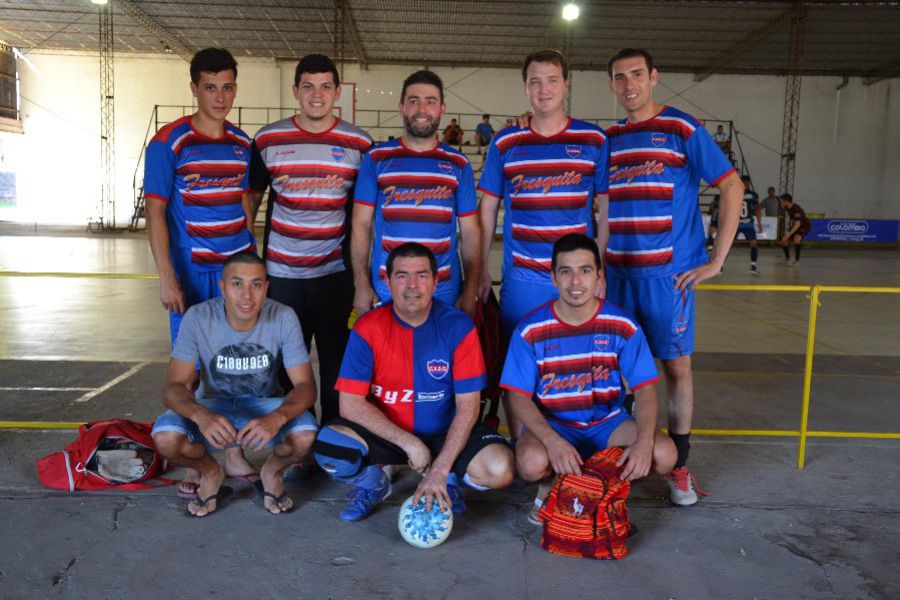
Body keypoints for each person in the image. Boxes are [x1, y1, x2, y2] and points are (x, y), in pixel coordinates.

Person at [601, 48, 744, 506]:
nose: (629, 85)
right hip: (617, 275)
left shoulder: (682, 128)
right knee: (616, 372)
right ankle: (621, 460)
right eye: (620, 77)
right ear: (612, 85)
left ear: (655, 77)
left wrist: (716, 260)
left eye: (637, 75)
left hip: (669, 278)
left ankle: (679, 465)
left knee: (675, 367)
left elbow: (732, 185)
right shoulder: (610, 139)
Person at [313, 243, 515, 521]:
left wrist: (440, 469)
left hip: (444, 432)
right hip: (389, 434)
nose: (412, 285)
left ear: (435, 281)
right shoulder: (368, 327)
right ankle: (374, 482)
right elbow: (350, 405)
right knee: (330, 447)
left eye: (421, 275)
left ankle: (449, 478)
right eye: (402, 275)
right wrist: (410, 444)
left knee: (500, 468)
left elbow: (468, 406)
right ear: (387, 281)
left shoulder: (458, 326)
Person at [478, 49, 610, 440]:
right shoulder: (506, 142)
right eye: (535, 81)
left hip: (578, 280)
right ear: (525, 88)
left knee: (574, 368)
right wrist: (481, 268)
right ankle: (524, 451)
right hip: (522, 279)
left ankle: (572, 446)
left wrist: (598, 269)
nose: (544, 88)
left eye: (552, 79)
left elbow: (607, 210)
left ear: (567, 84)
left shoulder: (593, 139)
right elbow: (487, 209)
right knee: (517, 371)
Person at [144, 48, 259, 495]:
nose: (220, 96)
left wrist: (253, 260)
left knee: (234, 365)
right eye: (210, 87)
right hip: (192, 272)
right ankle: (196, 458)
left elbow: (247, 205)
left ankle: (232, 453)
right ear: (194, 88)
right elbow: (156, 213)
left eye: (228, 86)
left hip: (237, 273)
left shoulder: (241, 143)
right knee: (190, 370)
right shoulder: (169, 142)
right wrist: (166, 275)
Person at [501, 234, 676, 524]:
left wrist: (644, 441)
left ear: (599, 276)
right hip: (556, 424)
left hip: (607, 424)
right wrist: (552, 441)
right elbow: (517, 395)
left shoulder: (622, 324)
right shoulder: (530, 329)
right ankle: (550, 488)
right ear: (554, 278)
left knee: (664, 453)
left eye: (585, 270)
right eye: (565, 271)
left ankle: (600, 486)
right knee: (530, 463)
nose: (575, 281)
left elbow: (644, 389)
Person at [243, 54, 372, 425]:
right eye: (309, 87)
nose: (317, 95)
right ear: (296, 90)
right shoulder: (268, 139)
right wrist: (250, 264)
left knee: (337, 366)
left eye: (326, 87)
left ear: (337, 92)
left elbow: (365, 215)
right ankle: (296, 439)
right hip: (282, 278)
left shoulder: (360, 144)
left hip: (335, 276)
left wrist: (362, 278)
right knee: (286, 366)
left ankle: (333, 440)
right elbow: (250, 199)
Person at [151, 252, 318, 517]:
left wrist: (277, 417)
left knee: (306, 435)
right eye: (237, 284)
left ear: (266, 287)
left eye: (256, 284)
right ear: (222, 287)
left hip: (264, 405)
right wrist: (200, 414)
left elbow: (306, 387)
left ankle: (272, 472)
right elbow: (172, 387)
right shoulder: (198, 317)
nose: (246, 295)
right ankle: (211, 472)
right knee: (166, 438)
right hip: (212, 405)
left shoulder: (284, 317)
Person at [351, 70, 481, 320]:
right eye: (413, 101)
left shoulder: (458, 164)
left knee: (439, 359)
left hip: (443, 289)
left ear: (442, 108)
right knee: (388, 359)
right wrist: (361, 284)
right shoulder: (376, 159)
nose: (422, 109)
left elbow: (471, 232)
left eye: (430, 101)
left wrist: (471, 288)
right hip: (387, 289)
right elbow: (360, 225)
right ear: (401, 107)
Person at [736, 175, 763, 276]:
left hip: (744, 223)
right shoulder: (753, 195)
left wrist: (759, 223)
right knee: (727, 245)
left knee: (754, 243)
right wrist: (759, 223)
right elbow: (758, 209)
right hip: (740, 223)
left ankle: (753, 266)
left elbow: (757, 209)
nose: (745, 184)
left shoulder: (735, 192)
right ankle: (719, 266)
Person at [779, 194, 810, 265]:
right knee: (784, 240)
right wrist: (787, 235)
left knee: (796, 238)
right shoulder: (788, 208)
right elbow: (794, 222)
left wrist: (789, 234)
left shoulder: (796, 209)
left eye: (782, 202)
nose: (781, 203)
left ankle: (797, 261)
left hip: (804, 226)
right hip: (796, 224)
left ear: (786, 201)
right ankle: (787, 259)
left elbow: (797, 224)